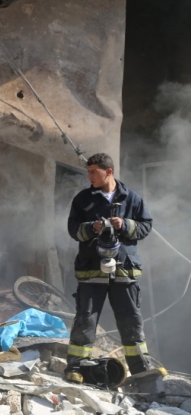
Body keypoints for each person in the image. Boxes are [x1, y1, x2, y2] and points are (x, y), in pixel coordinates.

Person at [65, 153, 154, 383]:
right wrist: (91, 227)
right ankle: (76, 368)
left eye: (94, 171)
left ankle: (141, 371)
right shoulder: (83, 199)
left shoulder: (132, 198)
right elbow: (73, 229)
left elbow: (146, 227)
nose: (90, 176)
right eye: (88, 171)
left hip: (124, 271)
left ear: (109, 172)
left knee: (131, 319)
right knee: (85, 319)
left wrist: (125, 225)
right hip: (92, 270)